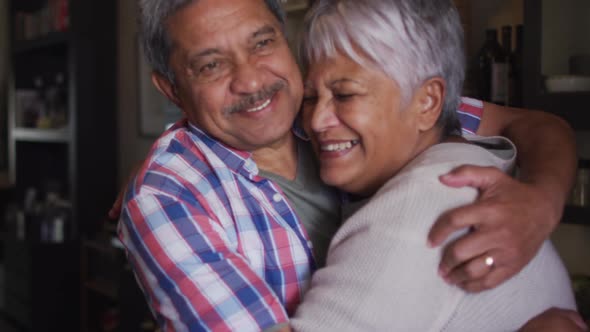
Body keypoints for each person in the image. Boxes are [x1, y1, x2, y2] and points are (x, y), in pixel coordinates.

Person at [117, 0, 580, 330]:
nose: (252, 79)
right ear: (172, 89)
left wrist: (542, 201)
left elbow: (537, 126)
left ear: (285, 37)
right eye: (211, 65)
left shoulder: (341, 108)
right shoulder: (169, 200)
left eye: (262, 42)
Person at [287, 0, 578, 330]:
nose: (317, 119)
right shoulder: (430, 135)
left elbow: (542, 126)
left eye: (345, 95)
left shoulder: (417, 206)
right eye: (310, 97)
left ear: (428, 102)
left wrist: (544, 201)